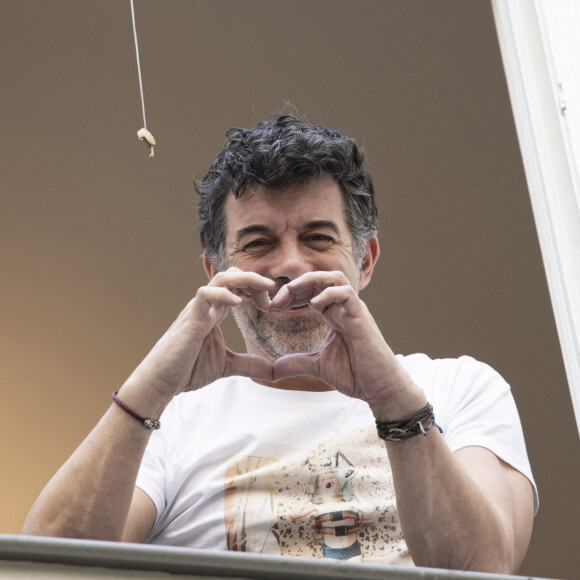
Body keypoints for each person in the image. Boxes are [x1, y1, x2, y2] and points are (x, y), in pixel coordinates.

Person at [22, 115, 537, 572]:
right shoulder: (170, 421)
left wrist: (394, 402)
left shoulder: (461, 388)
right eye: (258, 243)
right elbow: (51, 566)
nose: (291, 265)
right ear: (214, 271)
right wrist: (150, 390)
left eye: (317, 237)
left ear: (365, 259)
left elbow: (484, 567)